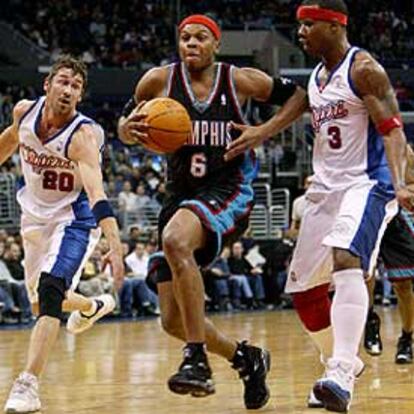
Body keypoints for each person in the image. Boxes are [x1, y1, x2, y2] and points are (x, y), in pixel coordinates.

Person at [226, 1, 414, 411]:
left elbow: (394, 131)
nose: (300, 32)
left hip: (367, 185)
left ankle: (341, 372)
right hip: (324, 190)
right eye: (299, 25)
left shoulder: (364, 68)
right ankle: (340, 363)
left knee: (347, 259)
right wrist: (262, 131)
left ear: (334, 25)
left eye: (308, 24)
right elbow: (299, 105)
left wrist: (400, 184)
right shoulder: (316, 77)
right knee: (303, 292)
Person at [118, 13, 306, 408]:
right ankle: (246, 358)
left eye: (200, 37)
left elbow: (299, 96)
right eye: (185, 37)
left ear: (216, 44)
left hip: (229, 190)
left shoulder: (238, 81)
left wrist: (262, 131)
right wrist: (127, 131)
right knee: (172, 319)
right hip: (180, 196)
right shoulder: (158, 81)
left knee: (174, 238)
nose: (191, 43)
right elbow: (124, 123)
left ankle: (196, 361)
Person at [0, 55, 124, 413]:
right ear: (48, 84)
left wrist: (114, 244)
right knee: (40, 303)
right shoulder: (24, 112)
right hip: (33, 218)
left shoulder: (82, 136)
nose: (68, 90)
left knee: (51, 291)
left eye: (76, 86)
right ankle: (91, 306)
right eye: (63, 81)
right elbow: (9, 142)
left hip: (73, 219)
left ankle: (28, 385)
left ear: (80, 95)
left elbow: (97, 193)